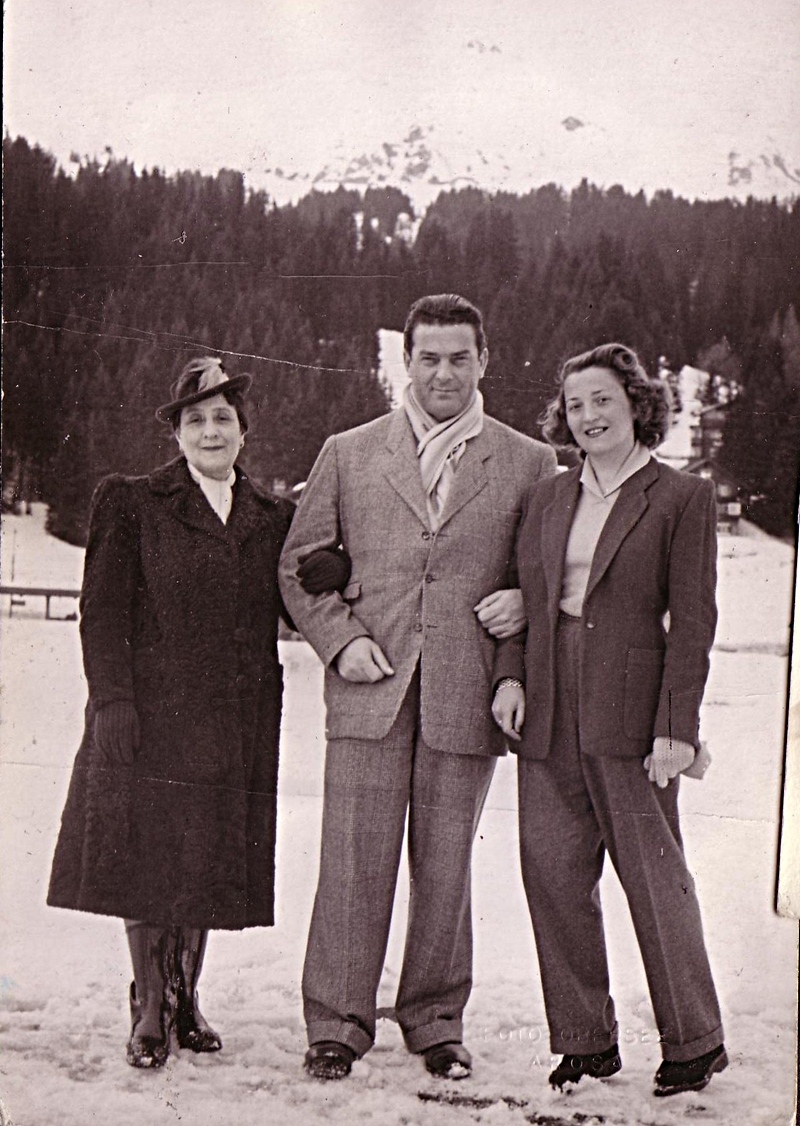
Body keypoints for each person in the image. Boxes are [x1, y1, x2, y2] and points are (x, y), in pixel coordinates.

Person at [278, 293, 557, 1082]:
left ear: (484, 361)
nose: (443, 373)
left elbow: (543, 574)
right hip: (369, 688)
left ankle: (436, 1021)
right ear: (406, 361)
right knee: (352, 861)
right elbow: (296, 568)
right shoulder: (348, 451)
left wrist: (525, 605)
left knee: (446, 868)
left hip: (467, 693)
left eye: (459, 358)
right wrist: (342, 641)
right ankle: (337, 1024)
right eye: (428, 358)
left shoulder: (530, 462)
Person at [47, 356, 344, 1069]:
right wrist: (112, 700)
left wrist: (330, 570)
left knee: (207, 855)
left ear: (244, 431)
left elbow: (293, 601)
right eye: (196, 419)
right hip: (149, 715)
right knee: (148, 855)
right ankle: (150, 1004)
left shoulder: (272, 517)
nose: (211, 431)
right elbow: (101, 612)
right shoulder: (132, 501)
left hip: (235, 720)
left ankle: (186, 997)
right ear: (177, 434)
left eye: (223, 418)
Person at [492, 343, 727, 1099]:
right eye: (575, 404)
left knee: (655, 879)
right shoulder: (546, 497)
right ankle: (584, 1044)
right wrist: (510, 677)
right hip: (547, 703)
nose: (588, 415)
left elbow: (693, 621)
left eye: (602, 400)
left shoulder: (680, 496)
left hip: (632, 707)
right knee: (554, 877)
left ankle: (695, 1041)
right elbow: (522, 599)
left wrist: (676, 727)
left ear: (636, 404)